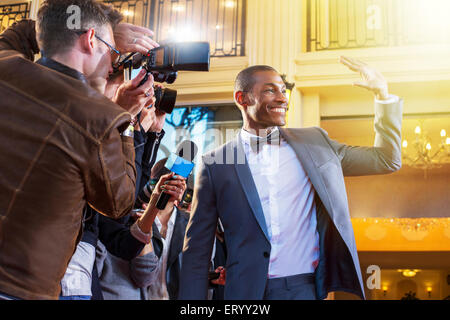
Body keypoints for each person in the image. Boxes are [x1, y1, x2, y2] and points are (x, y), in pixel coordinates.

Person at [179, 59, 403, 300]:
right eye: (270, 90)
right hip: (242, 293)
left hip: (303, 289)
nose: (282, 98)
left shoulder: (315, 142)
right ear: (241, 99)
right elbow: (196, 252)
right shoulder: (215, 163)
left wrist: (383, 96)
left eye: (283, 91)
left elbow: (386, 160)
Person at [0, 0, 152, 300]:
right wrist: (127, 119)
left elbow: (21, 31)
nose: (114, 60)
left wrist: (85, 27)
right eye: (112, 49)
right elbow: (118, 203)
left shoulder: (5, 65)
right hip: (23, 285)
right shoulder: (101, 116)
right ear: (91, 40)